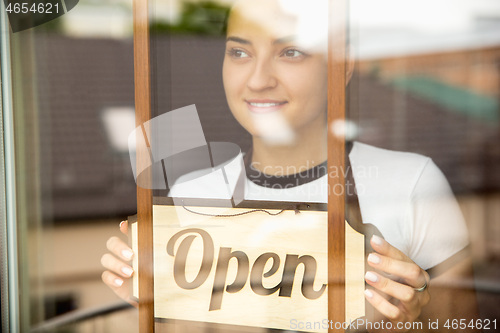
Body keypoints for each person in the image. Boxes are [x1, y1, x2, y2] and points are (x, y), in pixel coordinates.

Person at [101, 0, 476, 331]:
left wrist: (416, 323)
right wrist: (153, 305)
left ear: (341, 66)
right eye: (239, 53)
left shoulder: (412, 185)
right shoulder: (188, 197)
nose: (259, 79)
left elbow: (464, 326)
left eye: (291, 52)